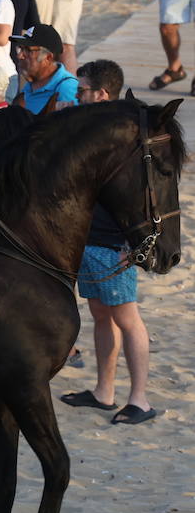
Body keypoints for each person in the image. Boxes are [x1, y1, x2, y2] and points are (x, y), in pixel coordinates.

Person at [62, 59, 156, 425]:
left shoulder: (122, 136)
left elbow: (141, 195)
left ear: (101, 94)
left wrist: (135, 247)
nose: (77, 96)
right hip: (90, 238)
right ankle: (105, 391)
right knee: (101, 314)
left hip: (115, 244)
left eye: (82, 90)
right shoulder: (90, 129)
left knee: (127, 317)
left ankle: (140, 399)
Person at [10, 23, 78, 111]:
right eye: (20, 48)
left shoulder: (66, 88)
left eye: (27, 50)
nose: (20, 55)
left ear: (48, 57)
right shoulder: (31, 84)